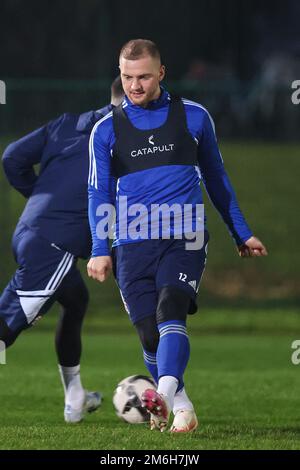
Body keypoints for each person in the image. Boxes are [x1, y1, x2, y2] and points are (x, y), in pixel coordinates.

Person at [87, 39, 268, 433]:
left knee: (171, 308)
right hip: (130, 241)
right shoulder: (105, 130)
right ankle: (181, 404)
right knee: (149, 333)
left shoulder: (194, 117)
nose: (134, 86)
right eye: (127, 77)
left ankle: (163, 396)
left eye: (144, 77)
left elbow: (217, 179)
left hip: (184, 234)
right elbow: (98, 192)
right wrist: (100, 249)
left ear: (161, 73)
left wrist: (241, 232)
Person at [0, 77, 124, 423]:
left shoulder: (69, 123)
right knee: (6, 327)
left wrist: (41, 199)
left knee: (75, 299)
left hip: (30, 231)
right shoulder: (126, 138)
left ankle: (75, 397)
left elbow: (12, 158)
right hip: (53, 245)